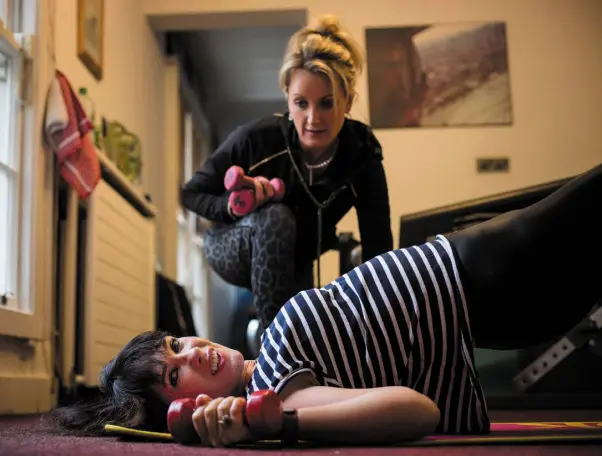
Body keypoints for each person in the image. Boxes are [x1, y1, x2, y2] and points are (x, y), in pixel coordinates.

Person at [51, 161, 602, 447]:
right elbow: (422, 411)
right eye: (173, 375)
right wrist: (275, 423)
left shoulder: (269, 357)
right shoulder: (275, 384)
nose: (191, 352)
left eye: (175, 343)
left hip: (468, 270)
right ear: (186, 411)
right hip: (474, 290)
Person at [180, 15, 393, 329]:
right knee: (276, 217)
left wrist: (384, 321)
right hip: (231, 243)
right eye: (301, 103)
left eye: (326, 103)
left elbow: (379, 246)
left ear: (348, 102)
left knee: (307, 324)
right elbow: (191, 193)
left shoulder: (362, 153)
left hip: (296, 255)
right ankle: (273, 351)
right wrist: (230, 206)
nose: (312, 118)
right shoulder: (256, 139)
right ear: (287, 100)